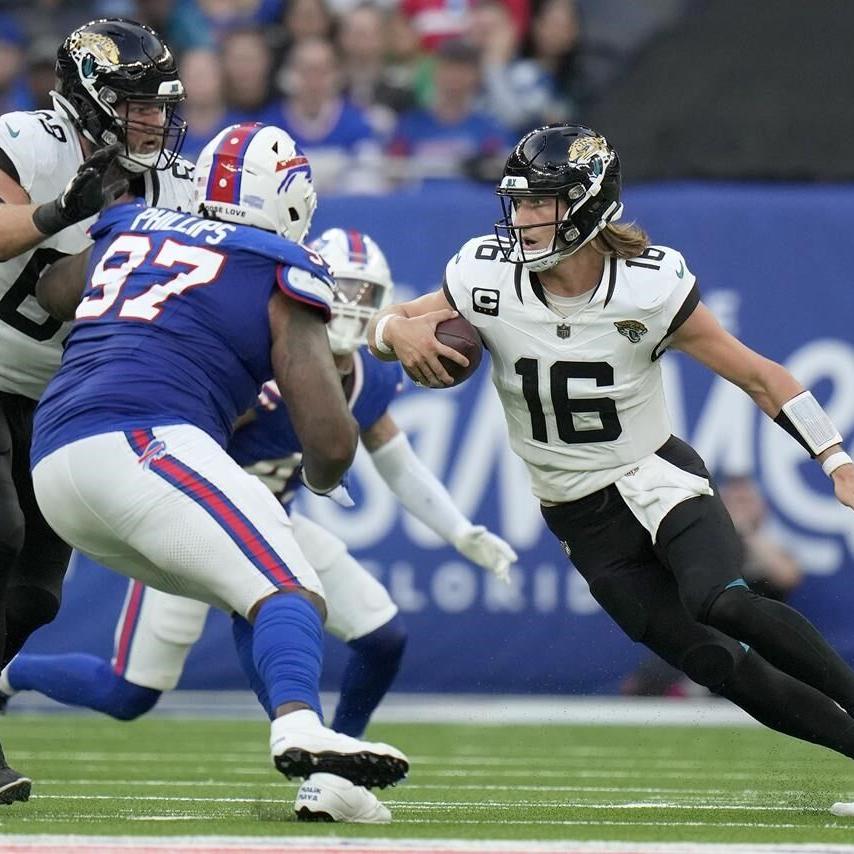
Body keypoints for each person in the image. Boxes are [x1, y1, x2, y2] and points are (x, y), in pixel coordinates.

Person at [366, 122, 854, 769]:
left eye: (543, 201)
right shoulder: (484, 275)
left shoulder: (648, 287)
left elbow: (761, 375)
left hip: (658, 479)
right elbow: (393, 323)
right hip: (580, 516)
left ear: (591, 204)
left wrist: (835, 458)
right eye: (520, 202)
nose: (525, 218)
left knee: (724, 601)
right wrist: (391, 332)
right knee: (715, 662)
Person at [2, 226, 514, 822]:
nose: (348, 301)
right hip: (189, 514)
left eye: (363, 291)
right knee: (130, 693)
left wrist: (459, 531)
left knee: (381, 636)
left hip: (276, 520)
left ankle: (329, 779)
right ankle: (11, 675)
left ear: (382, 301)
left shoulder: (369, 376)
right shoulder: (273, 352)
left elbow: (397, 464)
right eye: (340, 286)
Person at [27, 122, 409, 806]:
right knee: (290, 585)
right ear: (293, 199)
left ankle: (323, 776)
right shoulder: (275, 263)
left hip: (54, 456)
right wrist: (324, 483)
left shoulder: (133, 225)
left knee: (251, 592)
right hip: (142, 440)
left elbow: (55, 290)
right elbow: (328, 438)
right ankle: (300, 726)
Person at [0, 17, 195, 805]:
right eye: (134, 102)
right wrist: (56, 215)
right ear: (85, 97)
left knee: (38, 591)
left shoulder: (170, 184)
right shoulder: (27, 140)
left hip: (57, 391)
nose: (151, 118)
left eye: (159, 104)